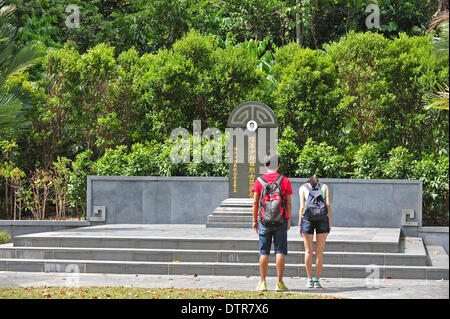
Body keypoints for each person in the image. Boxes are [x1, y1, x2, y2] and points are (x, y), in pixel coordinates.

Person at [251, 152, 293, 291]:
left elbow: (255, 203)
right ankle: (279, 283)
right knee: (280, 251)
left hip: (264, 221)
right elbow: (288, 203)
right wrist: (288, 219)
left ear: (265, 165)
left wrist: (255, 221)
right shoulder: (284, 180)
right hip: (280, 220)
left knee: (264, 251)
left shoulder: (259, 181)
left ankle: (263, 282)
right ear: (279, 165)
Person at [299, 176, 331, 288]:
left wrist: (300, 223)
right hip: (322, 219)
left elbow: (302, 207)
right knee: (319, 252)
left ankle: (309, 280)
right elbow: (328, 205)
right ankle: (317, 280)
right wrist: (329, 222)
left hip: (307, 219)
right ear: (318, 182)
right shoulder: (325, 187)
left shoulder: (303, 188)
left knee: (308, 251)